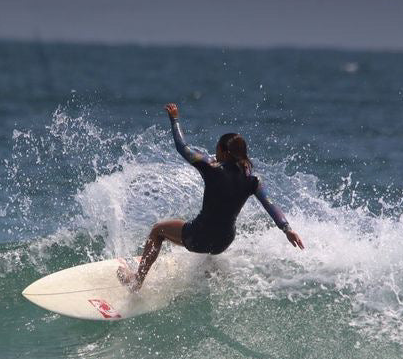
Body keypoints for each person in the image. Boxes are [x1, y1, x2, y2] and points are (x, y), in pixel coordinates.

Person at [117, 103, 304, 291]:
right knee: (212, 236)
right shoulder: (253, 180)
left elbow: (183, 147)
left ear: (223, 151)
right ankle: (207, 274)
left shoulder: (211, 168)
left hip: (198, 237)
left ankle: (136, 281)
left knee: (158, 230)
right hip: (223, 242)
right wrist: (287, 229)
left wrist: (174, 120)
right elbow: (270, 205)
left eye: (217, 149)